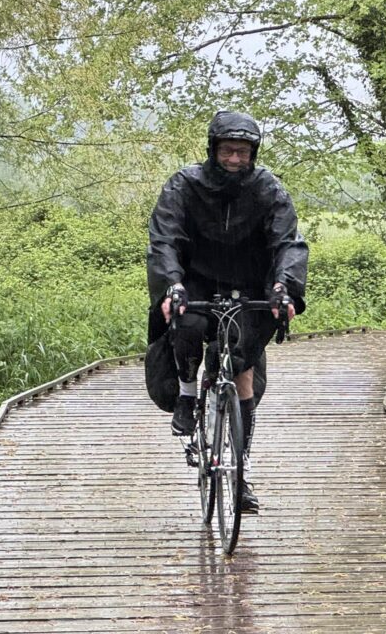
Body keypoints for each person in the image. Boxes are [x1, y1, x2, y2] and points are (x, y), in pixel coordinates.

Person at [146, 110, 308, 513]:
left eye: (243, 152)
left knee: (242, 363)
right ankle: (186, 394)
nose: (235, 159)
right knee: (188, 323)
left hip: (250, 286)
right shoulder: (184, 185)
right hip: (196, 280)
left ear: (253, 153)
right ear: (213, 150)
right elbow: (164, 238)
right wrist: (172, 284)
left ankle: (240, 472)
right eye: (228, 150)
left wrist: (283, 287)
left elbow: (288, 242)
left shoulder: (268, 188)